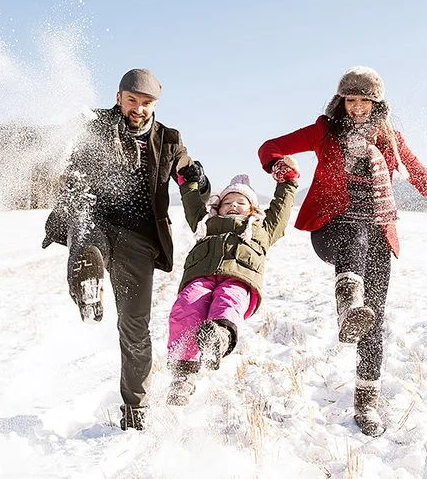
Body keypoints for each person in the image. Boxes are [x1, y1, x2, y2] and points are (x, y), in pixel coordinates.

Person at [257, 66, 427, 437]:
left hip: (379, 234)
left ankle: (366, 402)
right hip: (330, 228)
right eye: (350, 100)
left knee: (374, 318)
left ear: (377, 104)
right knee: (355, 230)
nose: (356, 108)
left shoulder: (390, 140)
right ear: (341, 102)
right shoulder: (325, 131)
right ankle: (347, 303)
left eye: (364, 101)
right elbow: (270, 147)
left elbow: (422, 180)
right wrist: (280, 168)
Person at [41, 68, 210, 431]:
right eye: (132, 100)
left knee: (134, 327)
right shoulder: (95, 125)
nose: (139, 108)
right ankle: (86, 280)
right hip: (97, 218)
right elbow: (57, 145)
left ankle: (136, 409)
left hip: (139, 239)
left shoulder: (169, 141)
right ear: (119, 98)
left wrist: (199, 185)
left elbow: (188, 180)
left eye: (146, 103)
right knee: (84, 225)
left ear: (155, 105)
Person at [165, 160, 300, 406]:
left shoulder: (262, 228)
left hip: (238, 278)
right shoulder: (206, 223)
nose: (233, 205)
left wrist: (288, 181)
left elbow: (280, 211)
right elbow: (192, 205)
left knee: (228, 301)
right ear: (218, 206)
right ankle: (183, 374)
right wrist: (188, 182)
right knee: (186, 306)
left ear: (251, 209)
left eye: (240, 202)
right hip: (201, 277)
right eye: (227, 202)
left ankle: (219, 337)